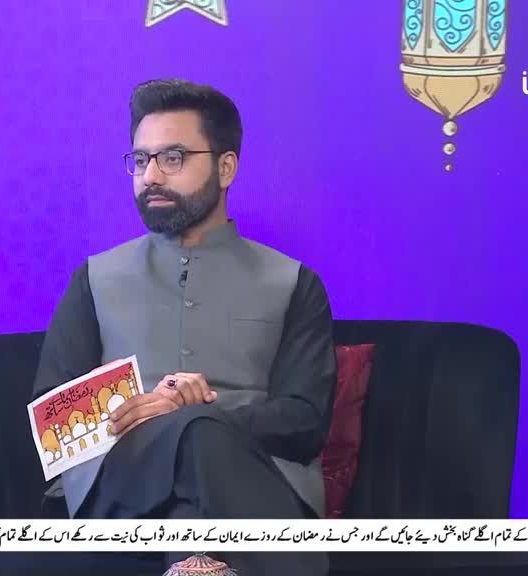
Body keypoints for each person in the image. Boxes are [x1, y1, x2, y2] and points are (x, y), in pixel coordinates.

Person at [32, 79, 336, 575]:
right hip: (122, 480)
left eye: (173, 158)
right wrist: (165, 415)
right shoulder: (95, 278)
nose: (151, 175)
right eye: (140, 159)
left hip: (253, 477)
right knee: (193, 430)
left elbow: (304, 421)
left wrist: (204, 416)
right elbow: (52, 421)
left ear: (226, 167)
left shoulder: (293, 282)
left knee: (193, 493)